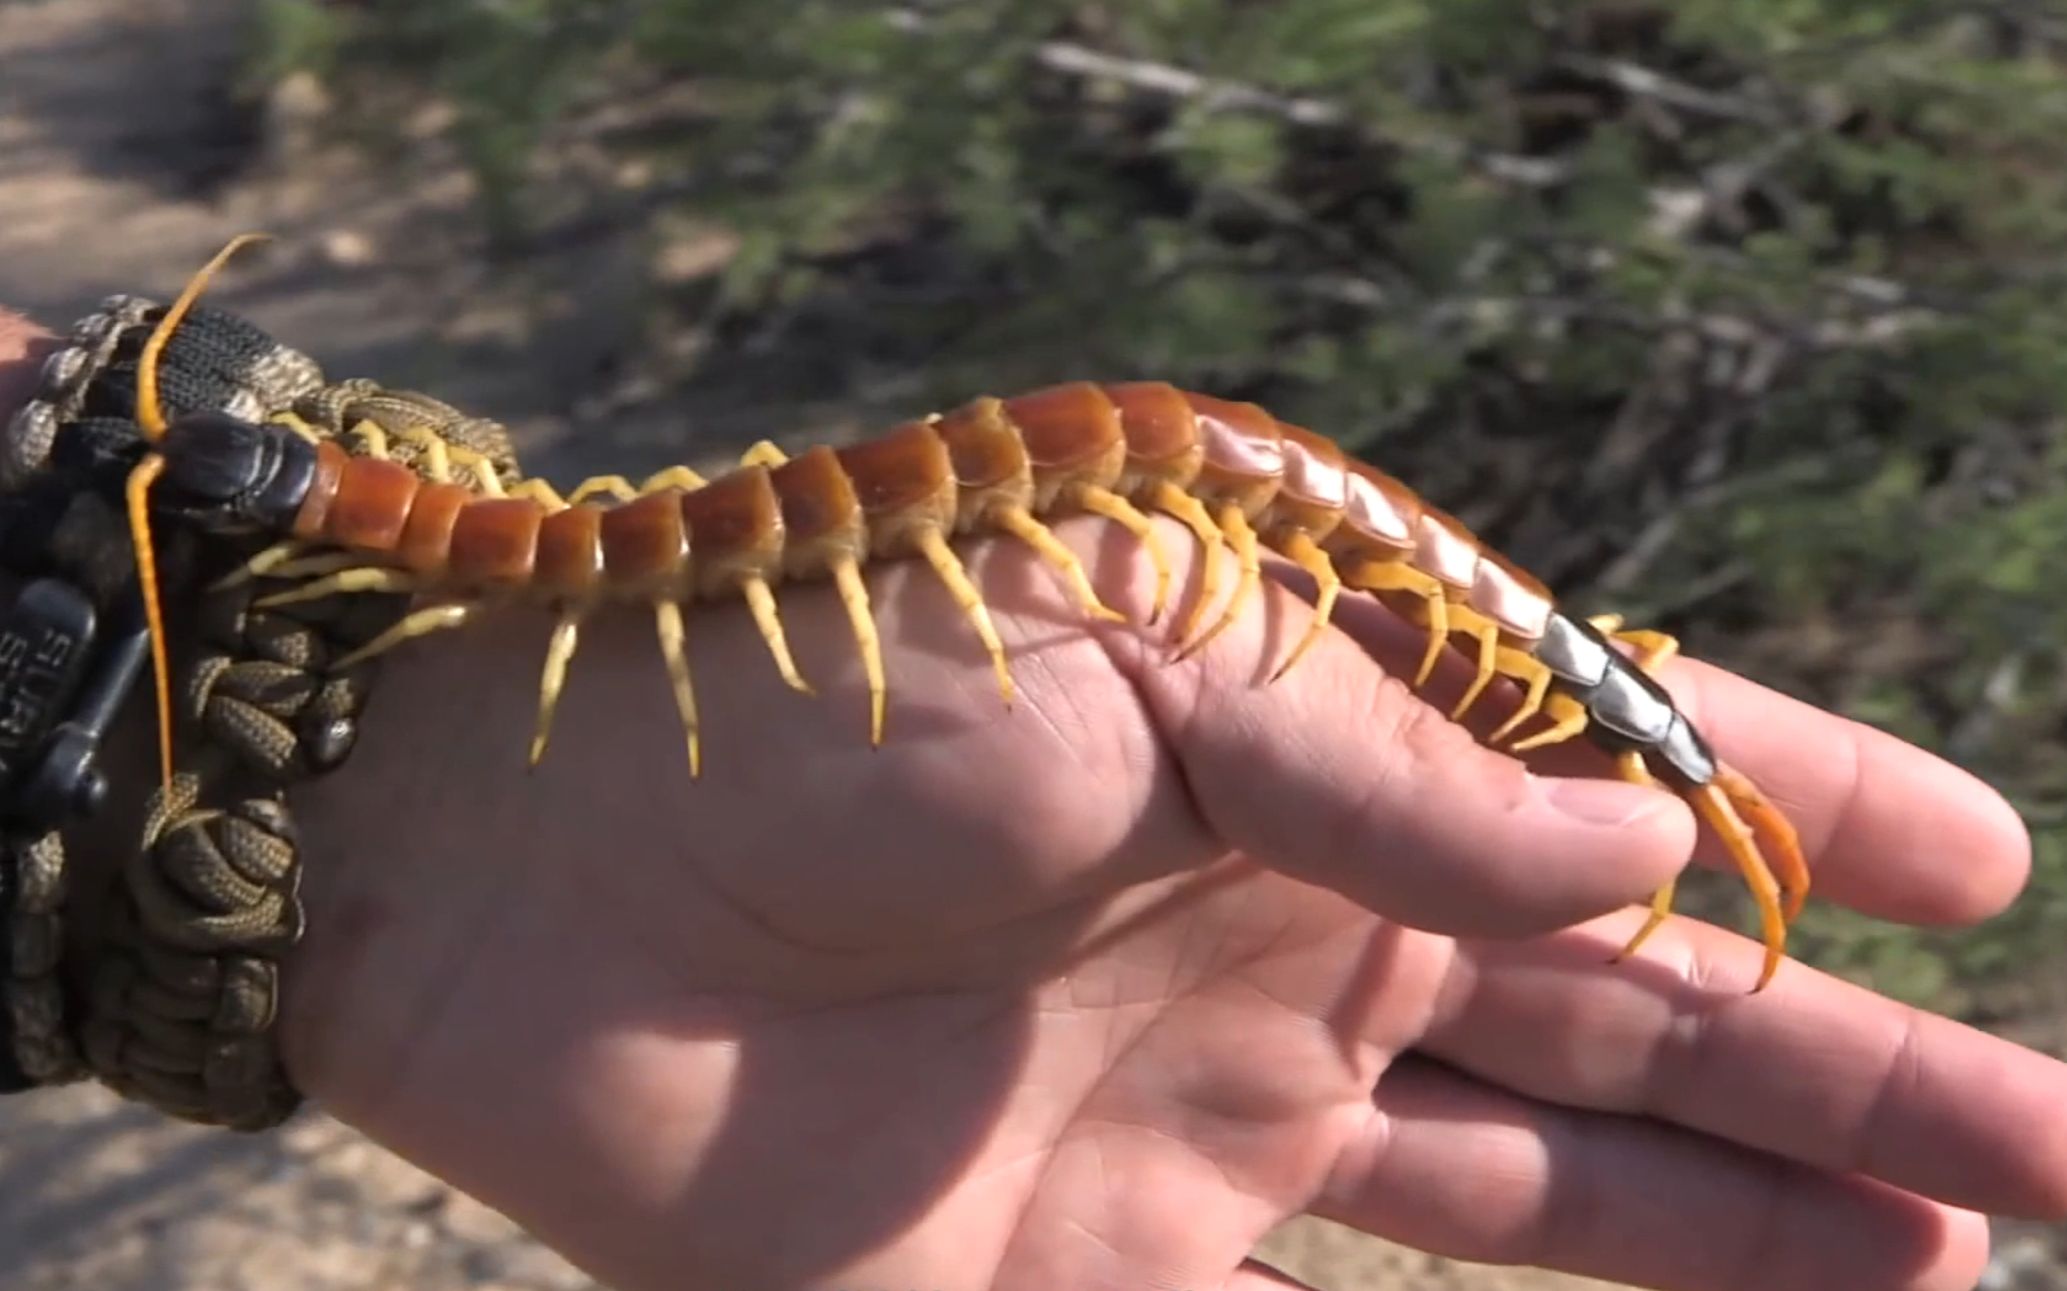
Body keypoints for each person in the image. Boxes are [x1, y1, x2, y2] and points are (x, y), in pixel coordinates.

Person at [5, 312, 2065, 1291]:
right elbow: (568, 585)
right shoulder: (531, 580)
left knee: (1282, 524)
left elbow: (1162, 470)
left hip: (1230, 491)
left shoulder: (533, 568)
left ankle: (1617, 701)